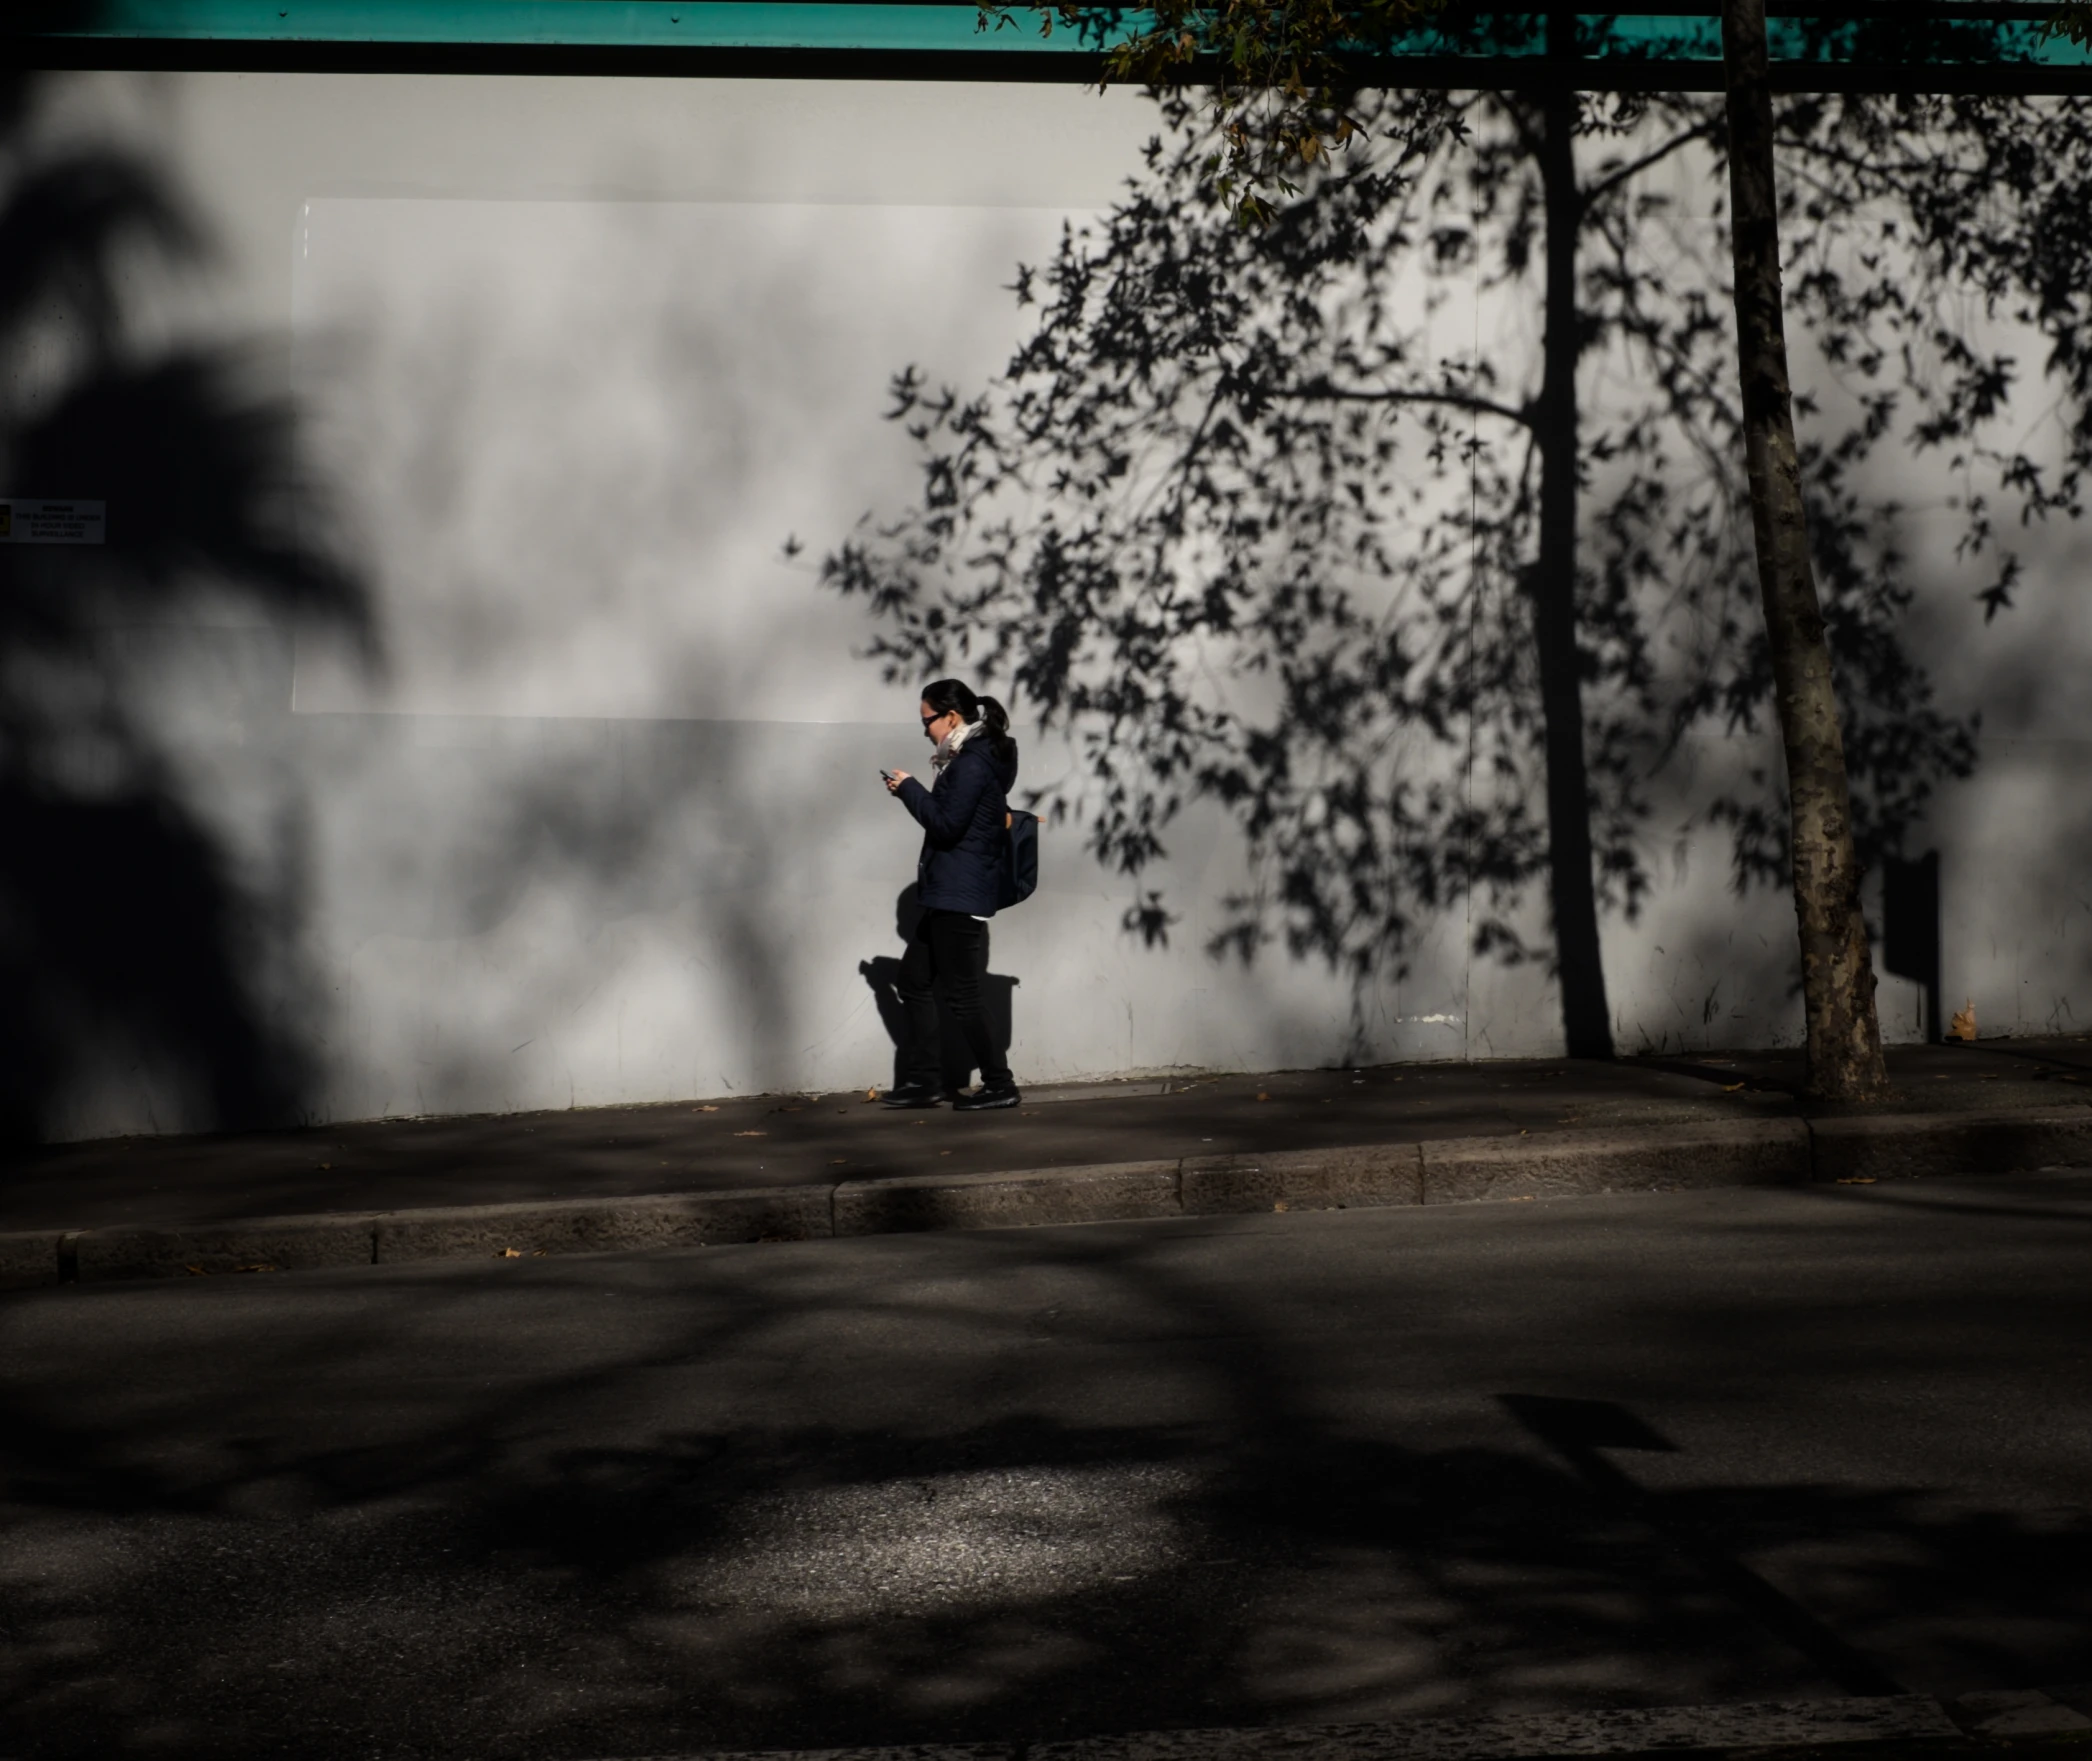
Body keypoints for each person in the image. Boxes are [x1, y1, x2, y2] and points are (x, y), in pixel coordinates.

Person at [881, 679, 1021, 1111]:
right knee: (914, 981)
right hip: (947, 894)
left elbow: (945, 825)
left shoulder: (971, 765)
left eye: (927, 721)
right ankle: (925, 1081)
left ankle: (1000, 1084)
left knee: (962, 996)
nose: (924, 730)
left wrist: (909, 789)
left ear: (952, 718)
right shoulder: (967, 761)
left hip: (958, 896)